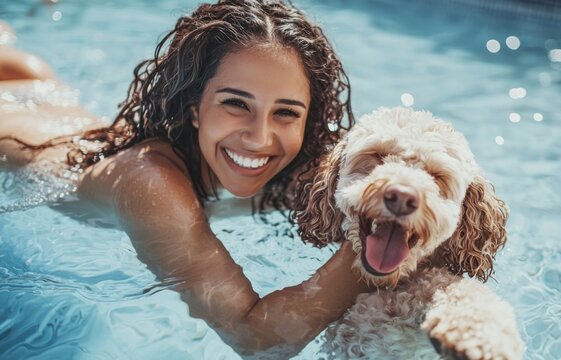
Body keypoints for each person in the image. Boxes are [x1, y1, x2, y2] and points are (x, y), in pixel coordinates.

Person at [0, 1, 371, 356]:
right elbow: (253, 338)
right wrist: (374, 252)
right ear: (195, 109)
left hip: (45, 95)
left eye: (286, 113)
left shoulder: (298, 164)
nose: (260, 137)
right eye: (236, 104)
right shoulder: (148, 182)